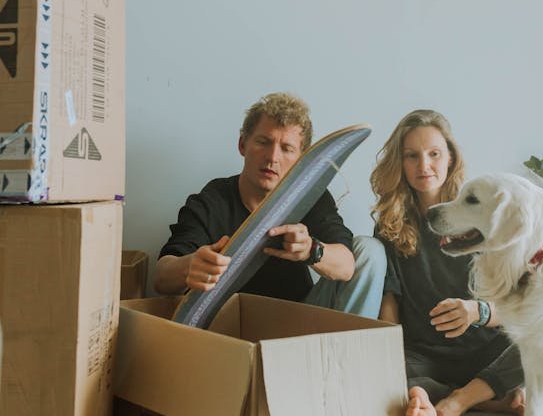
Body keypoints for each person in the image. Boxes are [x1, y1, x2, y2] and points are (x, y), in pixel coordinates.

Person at [154, 92, 384, 317]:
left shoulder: (313, 198)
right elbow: (161, 278)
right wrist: (190, 266)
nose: (272, 157)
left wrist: (310, 250)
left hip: (297, 327)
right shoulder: (213, 199)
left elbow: (346, 266)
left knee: (369, 250)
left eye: (287, 148)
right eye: (263, 142)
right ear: (242, 144)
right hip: (228, 327)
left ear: (300, 160)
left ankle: (347, 355)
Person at [371, 109, 525, 416]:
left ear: (451, 158)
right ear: (400, 162)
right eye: (412, 156)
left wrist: (477, 312)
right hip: (425, 356)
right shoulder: (390, 226)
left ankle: (459, 401)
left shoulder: (481, 214)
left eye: (434, 154)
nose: (423, 166)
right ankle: (487, 397)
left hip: (488, 349)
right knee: (383, 383)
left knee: (536, 339)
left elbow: (517, 304)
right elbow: (389, 309)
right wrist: (384, 365)